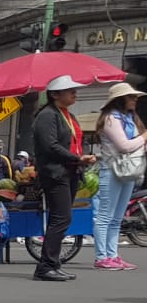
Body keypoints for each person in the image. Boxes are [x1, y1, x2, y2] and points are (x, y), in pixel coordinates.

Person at [31, 75, 98, 281]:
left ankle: (52, 263)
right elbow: (50, 146)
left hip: (69, 172)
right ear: (54, 95)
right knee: (62, 218)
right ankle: (46, 266)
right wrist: (78, 158)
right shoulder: (47, 116)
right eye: (69, 90)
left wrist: (82, 158)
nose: (74, 93)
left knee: (60, 218)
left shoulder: (66, 115)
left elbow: (74, 141)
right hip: (55, 172)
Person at [91, 82, 145, 271]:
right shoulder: (110, 119)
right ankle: (101, 256)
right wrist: (144, 138)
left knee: (117, 217)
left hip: (128, 170)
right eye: (131, 97)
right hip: (112, 169)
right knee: (105, 215)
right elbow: (124, 145)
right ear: (120, 99)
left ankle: (113, 255)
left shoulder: (130, 118)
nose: (135, 100)